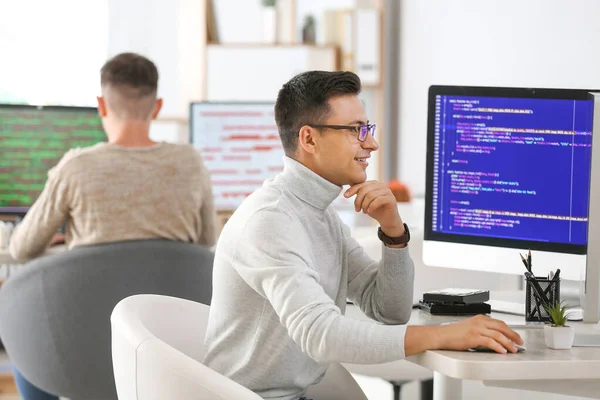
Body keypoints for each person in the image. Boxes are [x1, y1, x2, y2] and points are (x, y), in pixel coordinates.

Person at [203, 70, 523, 400]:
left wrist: (394, 232)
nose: (371, 143)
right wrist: (441, 335)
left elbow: (389, 309)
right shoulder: (269, 221)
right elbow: (320, 334)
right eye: (356, 130)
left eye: (367, 129)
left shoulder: (319, 214)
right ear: (309, 139)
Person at [9, 52, 216, 399]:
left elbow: (20, 248)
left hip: (83, 349)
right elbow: (207, 242)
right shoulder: (191, 164)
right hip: (164, 349)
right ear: (158, 106)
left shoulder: (76, 167)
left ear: (101, 105)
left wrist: (68, 248)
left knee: (26, 341)